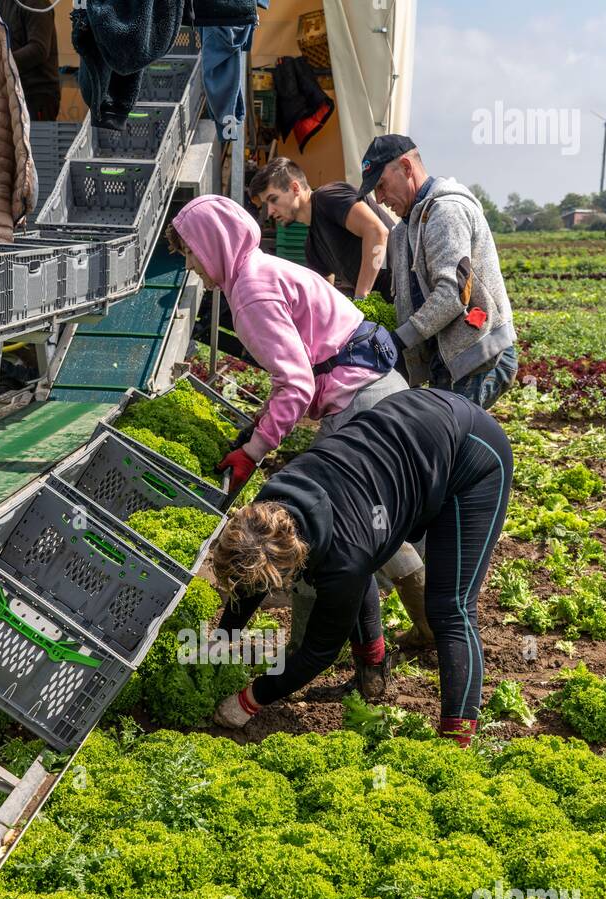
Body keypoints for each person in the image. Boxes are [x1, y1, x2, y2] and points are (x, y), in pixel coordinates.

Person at [166, 194, 430, 657]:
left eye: (190, 252)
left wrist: (253, 451)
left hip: (360, 402)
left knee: (324, 536)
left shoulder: (250, 293)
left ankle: (305, 658)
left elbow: (295, 383)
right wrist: (259, 429)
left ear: (213, 244)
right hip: (376, 387)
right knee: (368, 523)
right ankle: (424, 624)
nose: (190, 265)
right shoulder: (260, 268)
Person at [210, 388, 514, 745]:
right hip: (413, 428)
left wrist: (249, 700)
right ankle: (373, 672)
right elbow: (250, 578)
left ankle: (457, 744)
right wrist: (221, 641)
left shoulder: (344, 556)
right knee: (358, 565)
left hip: (474, 452)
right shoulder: (266, 510)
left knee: (451, 608)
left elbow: (318, 652)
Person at [358, 135, 518, 410]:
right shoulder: (402, 232)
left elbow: (453, 293)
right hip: (446, 360)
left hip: (478, 356)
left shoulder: (446, 211)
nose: (380, 199)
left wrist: (398, 340)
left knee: (448, 440)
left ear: (407, 168)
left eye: (381, 186)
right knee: (444, 442)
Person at [249, 156, 393, 302]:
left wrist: (361, 297)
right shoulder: (312, 247)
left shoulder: (330, 197)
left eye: (273, 200)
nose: (270, 212)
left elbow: (377, 232)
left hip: (410, 287)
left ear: (295, 188)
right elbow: (325, 296)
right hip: (390, 306)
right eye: (266, 204)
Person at [0, 0, 61, 122]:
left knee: (35, 140)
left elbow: (39, 49)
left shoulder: (37, 3)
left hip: (37, 94)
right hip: (12, 91)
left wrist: (2, 62)